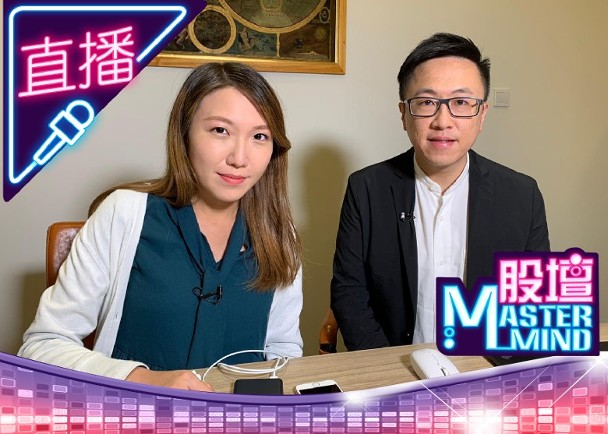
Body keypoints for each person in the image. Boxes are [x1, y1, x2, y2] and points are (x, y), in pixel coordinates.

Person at [19, 62, 303, 391]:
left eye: (259, 136)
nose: (240, 158)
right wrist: (144, 380)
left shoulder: (279, 235)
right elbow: (42, 347)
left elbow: (284, 352)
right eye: (220, 130)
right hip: (136, 411)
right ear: (184, 134)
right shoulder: (124, 214)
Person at [330, 33, 550, 351]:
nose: (442, 121)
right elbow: (349, 292)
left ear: (482, 114)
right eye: (426, 103)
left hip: (487, 364)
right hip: (392, 365)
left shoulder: (521, 195)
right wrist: (389, 369)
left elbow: (533, 302)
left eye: (461, 102)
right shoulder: (366, 189)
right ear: (404, 114)